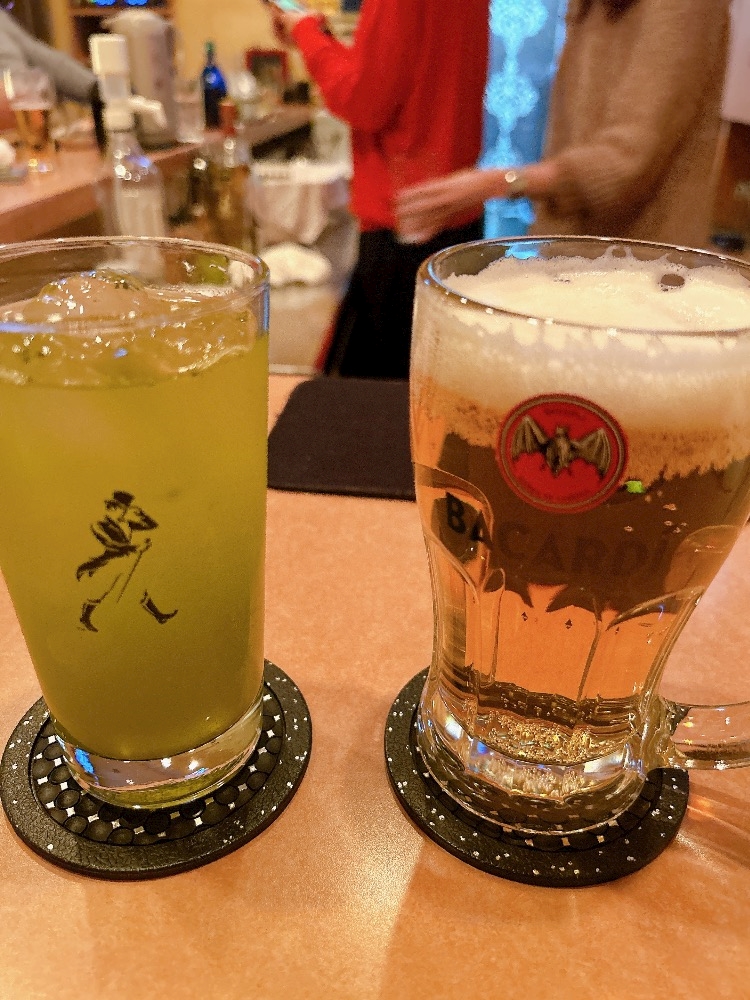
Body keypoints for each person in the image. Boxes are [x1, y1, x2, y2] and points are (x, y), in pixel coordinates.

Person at [267, 0, 489, 379]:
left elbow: (364, 100)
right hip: (456, 211)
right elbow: (403, 79)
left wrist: (305, 32)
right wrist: (320, 36)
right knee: (440, 381)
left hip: (404, 221)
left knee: (382, 395)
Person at [396, 0, 729, 251]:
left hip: (640, 267)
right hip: (573, 252)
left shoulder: (684, 7)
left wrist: (498, 182)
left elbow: (626, 162)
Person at [0, 7, 95, 104]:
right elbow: (16, 90)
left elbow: (41, 57)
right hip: (21, 103)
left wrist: (97, 89)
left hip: (31, 103)